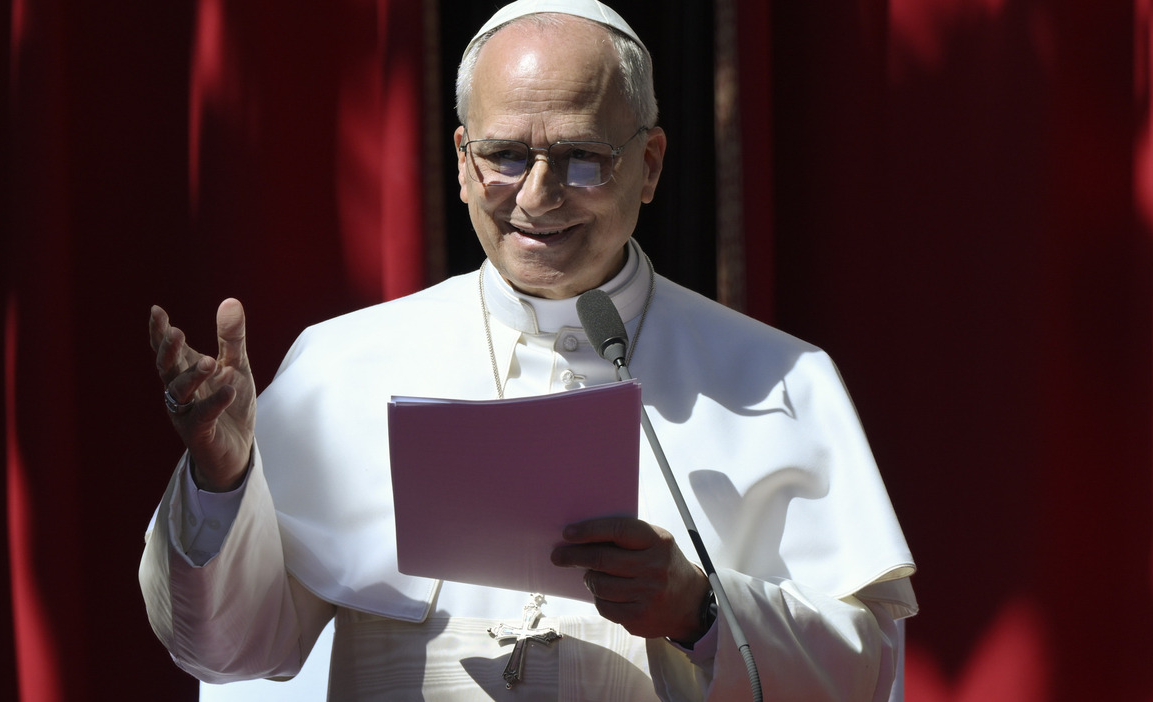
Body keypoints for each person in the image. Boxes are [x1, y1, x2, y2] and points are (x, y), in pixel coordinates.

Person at [140, 1, 917, 700]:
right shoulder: (343, 364)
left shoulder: (778, 380)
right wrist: (224, 481)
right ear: (459, 161)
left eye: (583, 158)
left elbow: (865, 671)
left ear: (647, 166)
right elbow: (226, 652)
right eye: (505, 155)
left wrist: (700, 610)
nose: (538, 196)